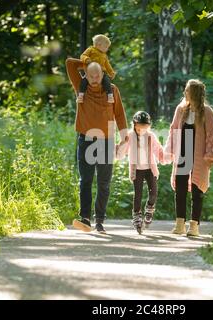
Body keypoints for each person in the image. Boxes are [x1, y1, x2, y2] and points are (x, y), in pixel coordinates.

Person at [65, 57, 128, 233]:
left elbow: (120, 114)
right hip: (86, 139)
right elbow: (70, 63)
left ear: (102, 74)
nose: (94, 78)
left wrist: (124, 137)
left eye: (97, 75)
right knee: (85, 179)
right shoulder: (81, 87)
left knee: (103, 182)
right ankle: (85, 218)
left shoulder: (112, 90)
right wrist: (89, 60)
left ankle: (99, 220)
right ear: (85, 74)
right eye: (90, 75)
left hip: (106, 140)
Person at [164, 79, 213, 236]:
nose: (185, 93)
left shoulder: (207, 112)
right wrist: (170, 150)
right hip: (182, 153)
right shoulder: (180, 110)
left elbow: (212, 134)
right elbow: (174, 131)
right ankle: (179, 224)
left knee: (197, 190)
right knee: (180, 188)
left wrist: (210, 156)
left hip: (199, 156)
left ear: (194, 93)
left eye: (187, 91)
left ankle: (194, 226)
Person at [116, 111, 166, 234]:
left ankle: (149, 209)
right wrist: (121, 145)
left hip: (150, 168)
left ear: (148, 126)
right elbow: (122, 152)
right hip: (136, 170)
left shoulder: (151, 136)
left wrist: (164, 157)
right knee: (137, 195)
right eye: (139, 128)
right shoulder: (130, 135)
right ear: (134, 125)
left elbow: (158, 149)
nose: (141, 131)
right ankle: (137, 217)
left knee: (153, 193)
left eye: (144, 128)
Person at [78, 34, 116, 104]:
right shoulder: (90, 50)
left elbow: (107, 65)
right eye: (106, 47)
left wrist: (111, 72)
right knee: (84, 81)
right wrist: (86, 59)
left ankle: (110, 96)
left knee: (107, 81)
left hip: (101, 73)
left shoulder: (104, 55)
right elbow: (83, 55)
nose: (107, 49)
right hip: (90, 72)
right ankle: (81, 95)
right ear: (99, 45)